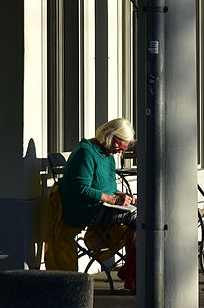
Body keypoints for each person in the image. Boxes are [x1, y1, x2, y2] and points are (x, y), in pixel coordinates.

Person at [57, 118, 138, 292]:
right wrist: (112, 199)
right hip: (83, 209)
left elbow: (109, 188)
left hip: (101, 206)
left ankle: (131, 269)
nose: (120, 152)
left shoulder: (107, 153)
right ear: (110, 136)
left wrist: (122, 196)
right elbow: (81, 188)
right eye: (120, 146)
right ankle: (131, 271)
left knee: (144, 214)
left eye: (124, 149)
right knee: (137, 218)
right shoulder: (86, 152)